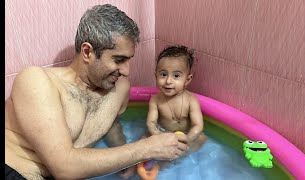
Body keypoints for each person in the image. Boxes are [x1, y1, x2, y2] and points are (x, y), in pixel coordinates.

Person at [5, 4, 189, 180]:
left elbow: (109, 123)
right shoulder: (36, 81)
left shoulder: (120, 89)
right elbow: (63, 167)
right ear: (87, 52)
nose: (126, 71)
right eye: (118, 60)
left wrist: (125, 157)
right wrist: (145, 149)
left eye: (128, 60)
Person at [146, 45, 208, 153]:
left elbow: (198, 125)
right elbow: (151, 123)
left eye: (176, 76)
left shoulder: (191, 100)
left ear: (187, 80)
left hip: (185, 135)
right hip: (163, 133)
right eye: (163, 74)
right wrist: (160, 137)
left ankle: (180, 155)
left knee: (202, 138)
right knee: (144, 139)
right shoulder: (155, 100)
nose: (168, 81)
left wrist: (187, 139)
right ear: (156, 76)